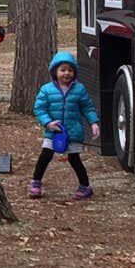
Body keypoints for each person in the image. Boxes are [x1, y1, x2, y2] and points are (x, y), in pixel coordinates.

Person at [29, 48, 98, 200]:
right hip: (53, 131)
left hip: (73, 131)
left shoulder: (79, 90)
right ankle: (35, 183)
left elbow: (87, 107)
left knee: (74, 159)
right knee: (45, 155)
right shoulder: (46, 90)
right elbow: (39, 109)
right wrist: (47, 123)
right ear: (55, 71)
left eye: (70, 70)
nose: (66, 73)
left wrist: (93, 122)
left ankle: (85, 186)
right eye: (63, 70)